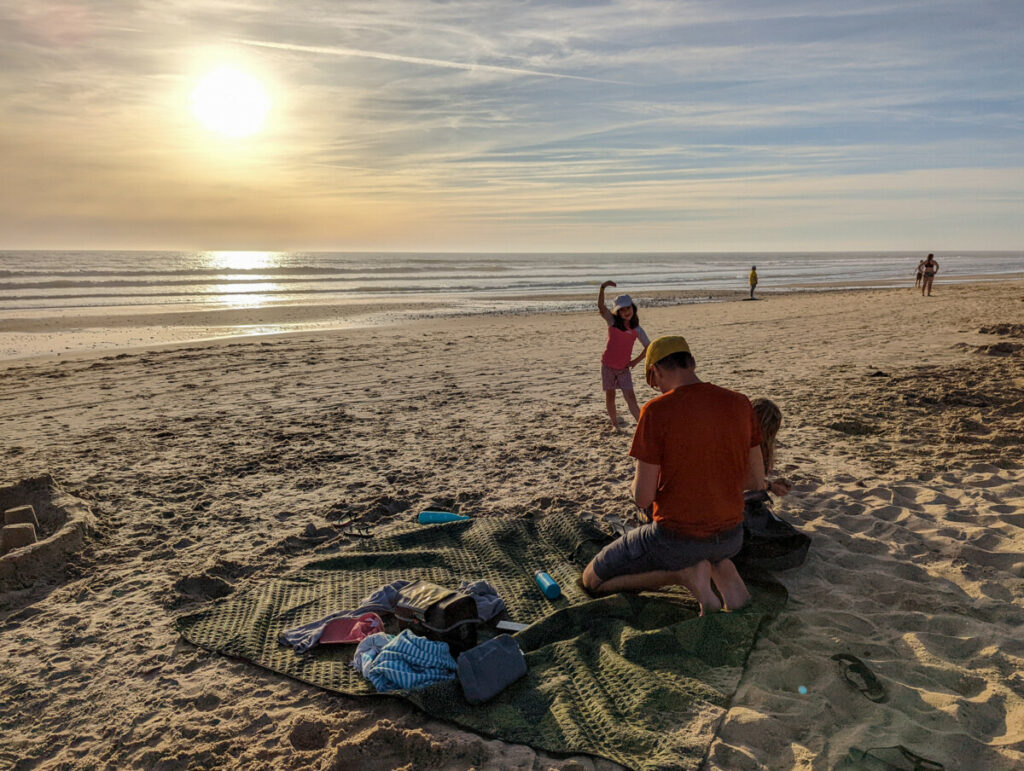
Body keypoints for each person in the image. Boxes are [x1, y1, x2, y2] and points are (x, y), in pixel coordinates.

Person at [581, 336, 766, 615]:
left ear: (655, 370)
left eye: (655, 384)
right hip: (730, 536)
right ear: (690, 362)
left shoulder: (656, 411)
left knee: (592, 580)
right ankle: (723, 572)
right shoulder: (741, 403)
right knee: (712, 549)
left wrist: (637, 484)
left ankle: (684, 576)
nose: (658, 391)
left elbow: (643, 497)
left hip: (678, 539)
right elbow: (755, 481)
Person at [597, 281, 650, 429]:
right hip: (608, 366)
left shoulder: (637, 329)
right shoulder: (612, 321)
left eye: (628, 308)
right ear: (618, 312)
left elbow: (648, 346)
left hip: (624, 369)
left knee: (630, 398)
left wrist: (635, 361)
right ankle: (615, 425)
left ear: (633, 308)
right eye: (622, 310)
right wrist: (602, 287)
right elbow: (601, 308)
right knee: (610, 395)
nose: (626, 311)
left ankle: (642, 426)